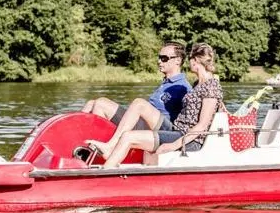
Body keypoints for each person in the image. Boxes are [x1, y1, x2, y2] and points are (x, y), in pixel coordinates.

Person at [87, 43, 223, 168]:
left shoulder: (211, 86)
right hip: (177, 131)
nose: (188, 63)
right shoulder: (198, 85)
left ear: (196, 60)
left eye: (190, 59)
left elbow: (202, 125)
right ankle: (104, 165)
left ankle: (104, 172)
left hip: (186, 138)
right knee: (127, 131)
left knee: (129, 136)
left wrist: (173, 145)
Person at [82, 41, 191, 132]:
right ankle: (75, 136)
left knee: (101, 104)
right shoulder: (166, 83)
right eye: (159, 57)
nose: (159, 61)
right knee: (91, 103)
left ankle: (99, 145)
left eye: (164, 58)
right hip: (141, 121)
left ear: (177, 60)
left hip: (154, 130)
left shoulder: (183, 87)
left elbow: (185, 120)